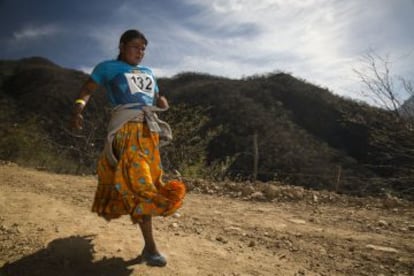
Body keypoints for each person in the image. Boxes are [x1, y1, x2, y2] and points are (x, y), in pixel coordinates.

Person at [70, 29, 186, 267]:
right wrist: (78, 108)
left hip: (148, 133)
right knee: (141, 184)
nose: (140, 52)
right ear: (122, 46)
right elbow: (86, 91)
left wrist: (162, 100)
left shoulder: (149, 72)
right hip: (125, 131)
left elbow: (154, 95)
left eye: (143, 48)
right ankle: (151, 247)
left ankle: (147, 241)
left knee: (148, 182)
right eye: (135, 46)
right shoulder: (107, 68)